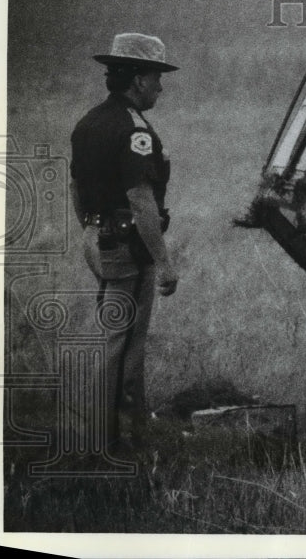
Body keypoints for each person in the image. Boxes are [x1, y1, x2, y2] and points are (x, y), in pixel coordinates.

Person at [70, 32, 179, 451]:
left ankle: (118, 434)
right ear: (137, 80)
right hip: (128, 248)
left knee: (115, 334)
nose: (159, 87)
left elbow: (75, 187)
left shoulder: (89, 122)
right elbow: (140, 200)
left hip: (98, 239)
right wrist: (164, 261)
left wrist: (90, 231)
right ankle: (112, 440)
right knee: (126, 345)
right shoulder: (136, 131)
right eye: (155, 77)